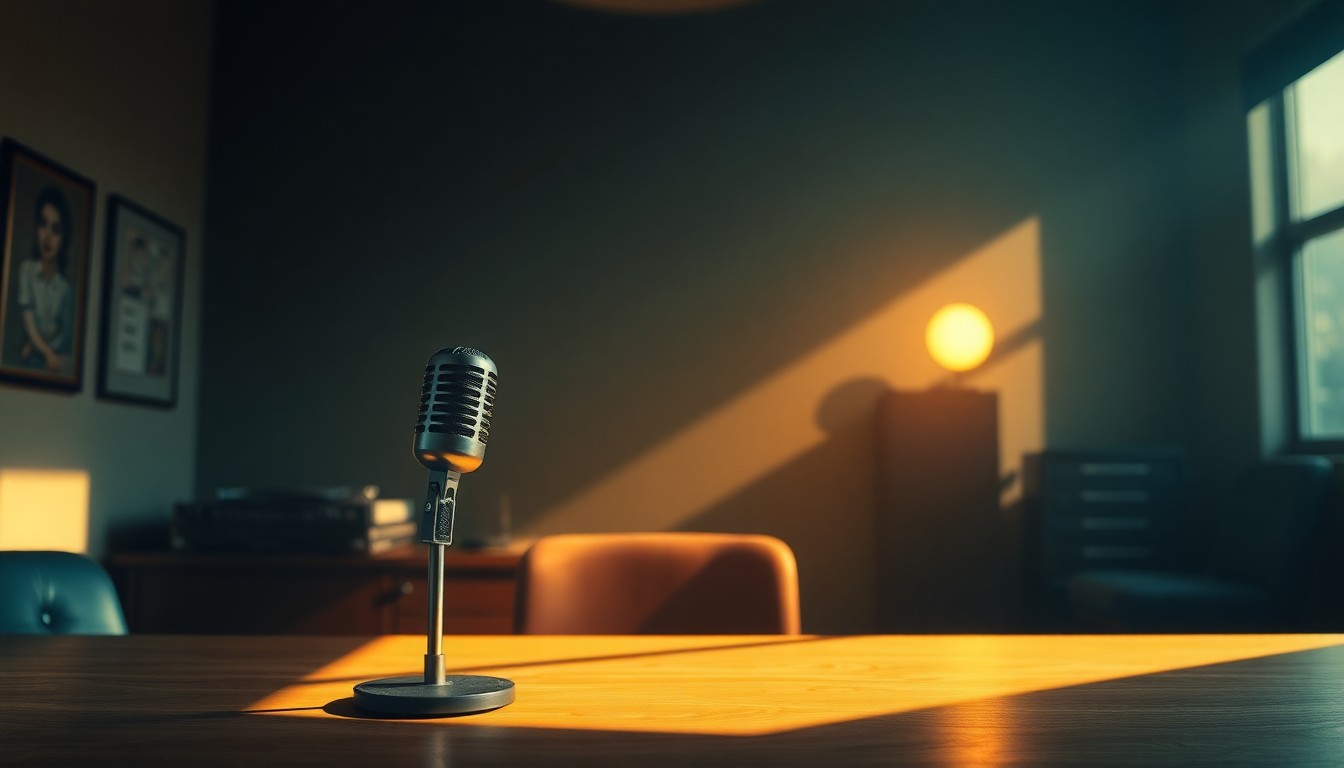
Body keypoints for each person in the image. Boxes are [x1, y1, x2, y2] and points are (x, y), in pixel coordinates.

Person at [15, 186, 75, 373]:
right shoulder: (27, 270)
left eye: (55, 230)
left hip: (52, 365)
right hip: (32, 362)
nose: (47, 236)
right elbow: (29, 322)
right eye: (43, 224)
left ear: (63, 239)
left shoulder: (65, 289)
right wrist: (46, 352)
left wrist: (37, 348)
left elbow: (65, 336)